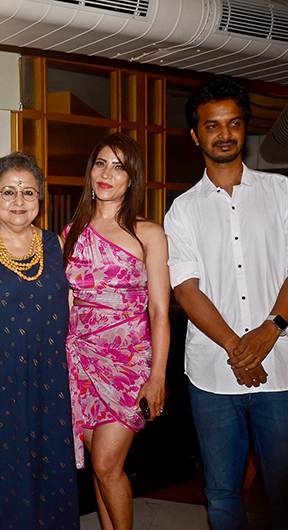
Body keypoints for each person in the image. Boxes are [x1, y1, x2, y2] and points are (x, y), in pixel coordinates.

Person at [164, 75, 288, 530]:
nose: (224, 134)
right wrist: (238, 348)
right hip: (213, 375)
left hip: (280, 370)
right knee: (221, 493)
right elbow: (185, 288)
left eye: (233, 123)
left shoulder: (283, 192)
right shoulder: (182, 210)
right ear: (196, 135)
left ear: (245, 128)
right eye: (212, 125)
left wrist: (269, 331)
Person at [0, 152, 80, 530]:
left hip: (49, 384)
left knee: (48, 469)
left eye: (28, 192)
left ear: (40, 198)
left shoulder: (57, 246)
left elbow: (71, 312)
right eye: (8, 192)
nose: (19, 201)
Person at [63, 132, 170, 530]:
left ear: (131, 178)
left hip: (129, 363)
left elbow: (159, 312)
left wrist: (157, 376)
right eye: (100, 164)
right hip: (81, 361)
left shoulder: (148, 233)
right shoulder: (70, 233)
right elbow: (67, 306)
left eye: (119, 167)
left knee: (108, 463)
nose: (107, 174)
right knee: (100, 466)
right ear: (90, 172)